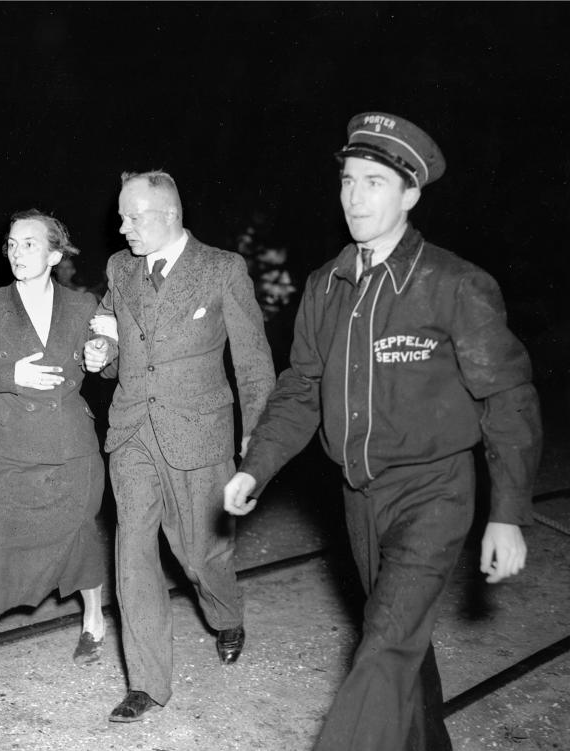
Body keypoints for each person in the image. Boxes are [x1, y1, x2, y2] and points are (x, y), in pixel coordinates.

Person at [224, 112, 543, 750]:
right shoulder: (326, 286)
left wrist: (508, 511)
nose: (355, 197)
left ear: (410, 194)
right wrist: (255, 465)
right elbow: (301, 389)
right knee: (395, 639)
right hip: (358, 496)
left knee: (385, 644)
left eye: (374, 182)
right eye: (348, 180)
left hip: (433, 494)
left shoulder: (453, 285)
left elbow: (508, 397)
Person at [84, 171, 275, 722]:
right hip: (132, 433)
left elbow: (254, 364)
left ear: (168, 215)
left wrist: (257, 447)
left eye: (131, 217)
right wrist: (98, 351)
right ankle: (146, 682)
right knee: (133, 553)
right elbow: (110, 337)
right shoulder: (121, 270)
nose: (121, 228)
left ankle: (226, 615)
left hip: (198, 434)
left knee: (199, 555)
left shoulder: (221, 269)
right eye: (121, 217)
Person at [0, 210, 107, 704]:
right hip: (9, 450)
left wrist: (103, 350)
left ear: (55, 254)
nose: (16, 253)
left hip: (72, 449)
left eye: (29, 244)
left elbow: (108, 353)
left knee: (79, 537)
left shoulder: (82, 305)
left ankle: (94, 619)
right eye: (11, 244)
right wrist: (9, 374)